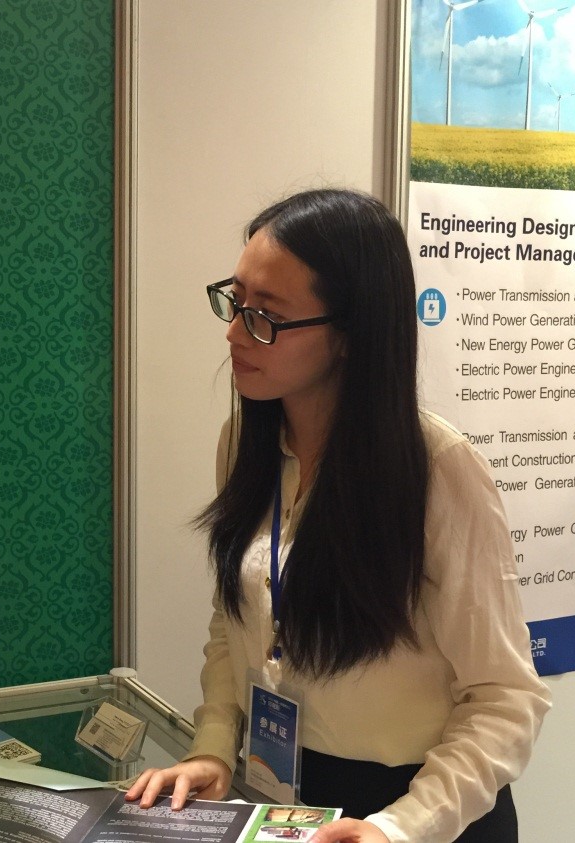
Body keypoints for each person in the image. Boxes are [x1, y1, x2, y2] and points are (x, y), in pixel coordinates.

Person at [124, 189, 550, 843]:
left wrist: (398, 828)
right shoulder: (243, 445)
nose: (234, 332)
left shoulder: (439, 470)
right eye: (235, 301)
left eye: (267, 316)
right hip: (282, 785)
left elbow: (505, 696)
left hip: (419, 807)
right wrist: (213, 747)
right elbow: (233, 622)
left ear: (349, 335)